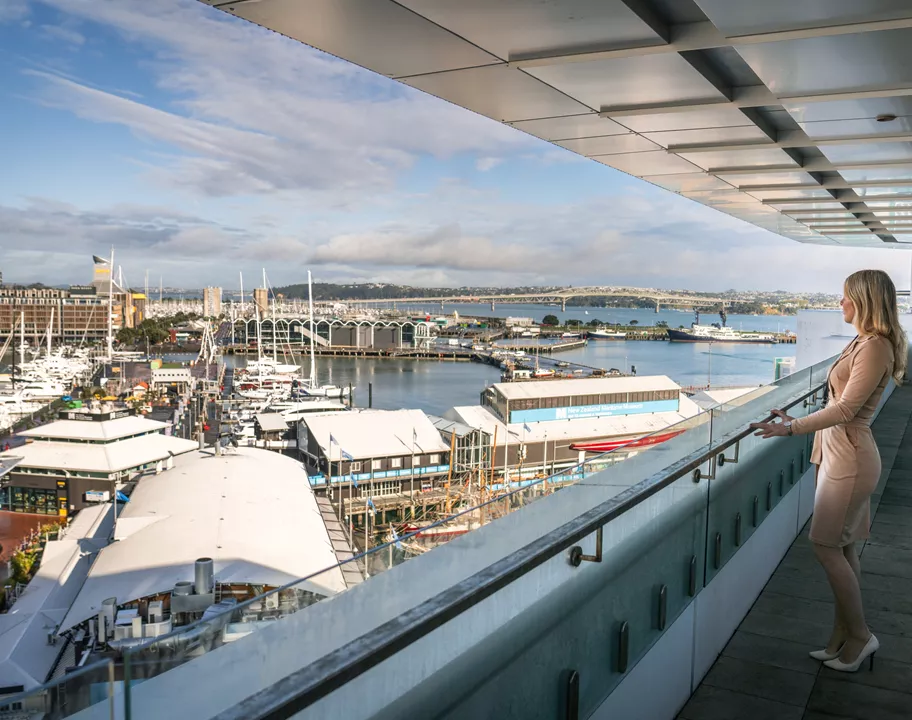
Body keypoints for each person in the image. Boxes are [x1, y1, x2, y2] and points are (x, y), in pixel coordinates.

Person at [751, 269, 907, 673]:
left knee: (824, 545)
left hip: (850, 459)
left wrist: (790, 429)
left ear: (863, 300)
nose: (840, 303)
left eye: (845, 296)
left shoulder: (874, 346)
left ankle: (860, 635)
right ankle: (841, 635)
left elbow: (847, 410)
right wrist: (795, 418)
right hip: (838, 453)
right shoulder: (863, 341)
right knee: (844, 546)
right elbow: (839, 401)